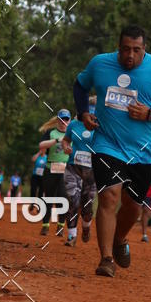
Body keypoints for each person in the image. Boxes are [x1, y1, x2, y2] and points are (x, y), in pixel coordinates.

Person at [74, 24, 151, 277]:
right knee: (108, 197)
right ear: (118, 47)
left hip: (143, 151)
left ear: (144, 49)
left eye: (136, 50)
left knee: (133, 207)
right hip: (107, 143)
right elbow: (80, 86)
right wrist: (83, 113)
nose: (130, 56)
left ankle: (120, 238)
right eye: (125, 49)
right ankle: (106, 260)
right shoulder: (100, 64)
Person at [61, 97, 98, 247]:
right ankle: (71, 235)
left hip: (92, 171)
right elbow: (66, 140)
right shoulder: (74, 125)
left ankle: (86, 228)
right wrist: (65, 147)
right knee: (73, 199)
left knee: (87, 205)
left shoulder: (100, 127)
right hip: (73, 167)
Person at [38, 109, 71, 236]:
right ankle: (45, 226)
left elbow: (75, 149)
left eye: (66, 119)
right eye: (61, 119)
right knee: (49, 197)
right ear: (58, 120)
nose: (63, 121)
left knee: (63, 198)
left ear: (69, 121)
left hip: (66, 169)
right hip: (50, 167)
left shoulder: (72, 134)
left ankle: (60, 226)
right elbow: (41, 145)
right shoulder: (51, 132)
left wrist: (69, 150)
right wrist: (57, 141)